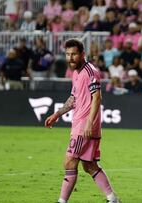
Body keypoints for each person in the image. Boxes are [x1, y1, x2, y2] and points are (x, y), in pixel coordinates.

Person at [44, 39, 120, 203]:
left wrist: (88, 123)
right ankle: (112, 199)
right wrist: (57, 114)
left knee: (69, 162)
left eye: (74, 54)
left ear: (82, 54)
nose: (70, 58)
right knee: (89, 165)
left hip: (84, 126)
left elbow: (97, 98)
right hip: (84, 125)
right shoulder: (76, 73)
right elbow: (74, 98)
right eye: (68, 54)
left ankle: (62, 201)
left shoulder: (90, 72)